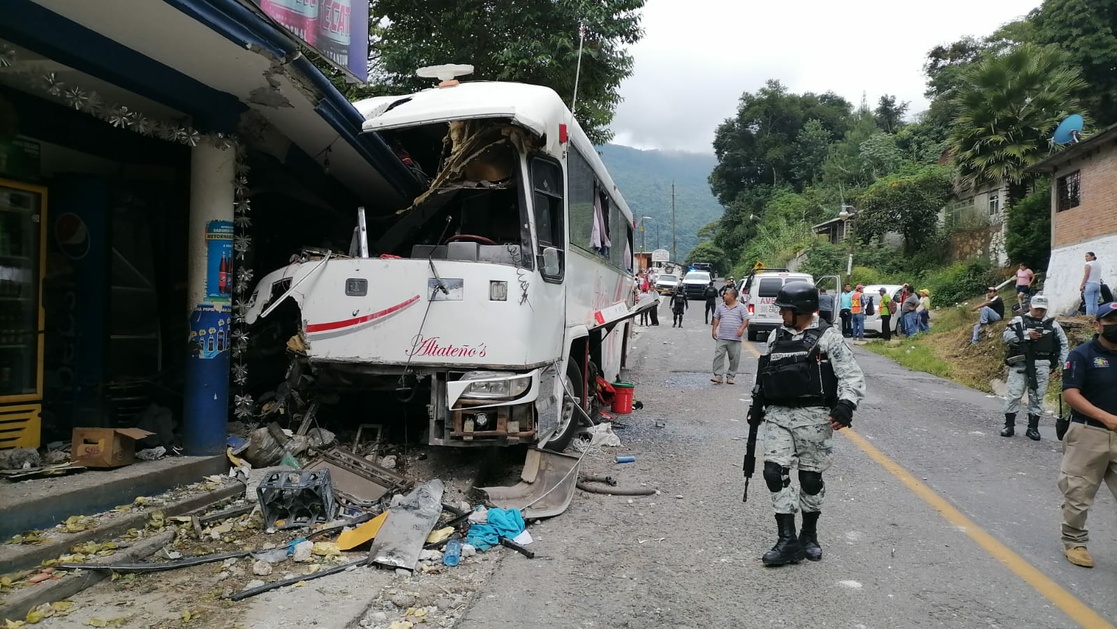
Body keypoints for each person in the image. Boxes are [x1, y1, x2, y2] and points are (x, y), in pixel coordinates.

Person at [748, 283, 866, 566]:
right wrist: (757, 404)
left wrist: (846, 404)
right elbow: (765, 373)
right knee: (774, 472)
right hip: (778, 416)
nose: (781, 314)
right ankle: (786, 539)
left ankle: (809, 535)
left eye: (785, 309)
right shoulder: (776, 336)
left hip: (814, 418)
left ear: (799, 310)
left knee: (810, 480)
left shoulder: (829, 338)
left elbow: (852, 376)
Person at [1058, 302, 1117, 568]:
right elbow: (1070, 393)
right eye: (1111, 321)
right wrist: (1105, 417)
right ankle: (1075, 541)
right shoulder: (1081, 355)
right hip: (1088, 433)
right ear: (1097, 324)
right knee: (1078, 492)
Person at [1000, 294, 1069, 440]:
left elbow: (1063, 344)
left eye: (1042, 310)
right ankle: (1009, 425)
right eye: (1037, 309)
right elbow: (1006, 335)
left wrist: (1065, 366)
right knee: (1014, 394)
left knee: (1037, 396)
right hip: (1021, 363)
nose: (1040, 312)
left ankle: (1033, 428)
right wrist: (1026, 335)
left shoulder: (1053, 325)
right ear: (1030, 307)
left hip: (1042, 363)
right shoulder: (1019, 321)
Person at [710, 288, 748, 385]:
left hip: (735, 338)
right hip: (722, 337)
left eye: (726, 294)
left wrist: (741, 329)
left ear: (732, 296)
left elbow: (746, 320)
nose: (724, 296)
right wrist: (714, 330)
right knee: (718, 356)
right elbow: (716, 318)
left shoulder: (741, 307)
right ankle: (718, 375)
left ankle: (731, 376)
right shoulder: (720, 307)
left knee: (734, 358)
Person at [1080, 252, 1102, 317]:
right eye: (1085, 256)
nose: (1086, 258)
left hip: (1090, 284)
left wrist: (1082, 285)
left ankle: (1089, 318)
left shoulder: (1088, 264)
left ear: (1092, 257)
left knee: (1089, 303)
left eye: (1087, 256)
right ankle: (1097, 317)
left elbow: (1086, 275)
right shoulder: (1098, 264)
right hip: (1097, 285)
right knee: (1095, 303)